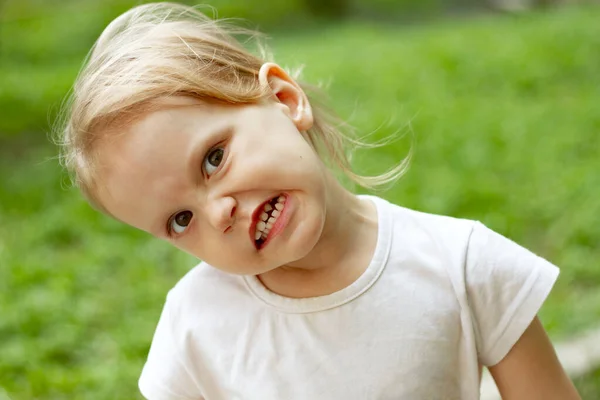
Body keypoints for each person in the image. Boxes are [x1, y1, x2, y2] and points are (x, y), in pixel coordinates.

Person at [56, 2, 581, 399]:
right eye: (180, 219)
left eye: (213, 159)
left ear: (285, 101)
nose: (218, 213)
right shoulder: (195, 325)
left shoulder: (461, 263)